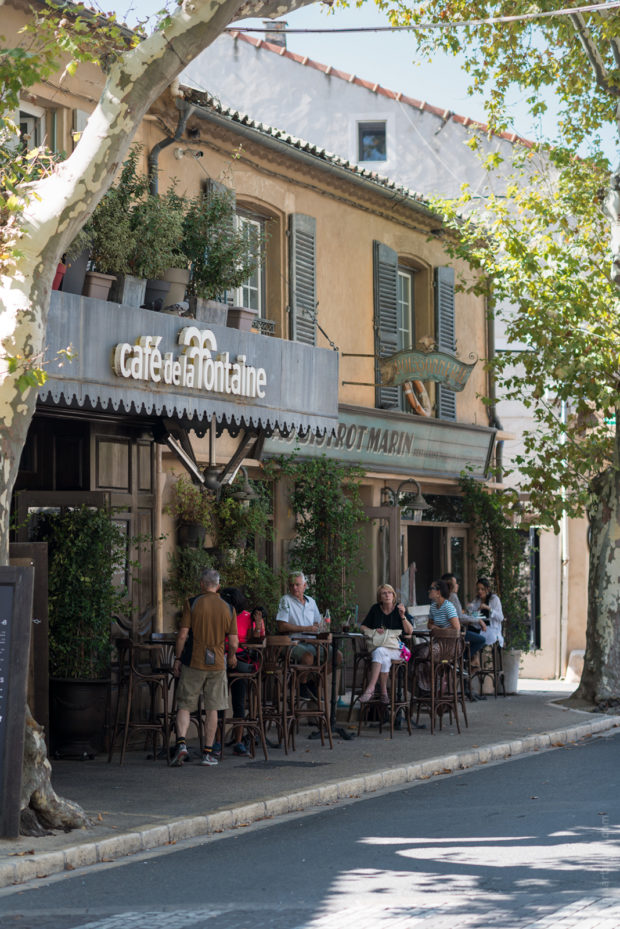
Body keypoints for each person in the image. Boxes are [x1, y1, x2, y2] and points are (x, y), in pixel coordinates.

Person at [171, 568, 238, 767]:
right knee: (212, 708)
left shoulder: (192, 603)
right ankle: (208, 753)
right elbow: (233, 642)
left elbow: (182, 635)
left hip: (194, 661)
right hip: (217, 663)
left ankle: (181, 744)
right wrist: (232, 656)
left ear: (201, 584)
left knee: (184, 704)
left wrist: (178, 658)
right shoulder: (228, 608)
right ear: (218, 586)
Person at [275, 571, 342, 697]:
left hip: (312, 641)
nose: (294, 587)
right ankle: (302, 685)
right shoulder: (285, 600)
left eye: (297, 584)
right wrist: (306, 628)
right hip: (292, 641)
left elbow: (318, 623)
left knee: (337, 656)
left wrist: (320, 630)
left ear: (304, 586)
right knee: (308, 657)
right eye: (291, 585)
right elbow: (282, 626)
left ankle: (314, 681)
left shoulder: (311, 601)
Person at [220, 588, 266, 757]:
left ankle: (238, 741)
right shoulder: (220, 615)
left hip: (241, 660)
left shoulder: (248, 616)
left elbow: (257, 640)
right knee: (218, 701)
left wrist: (258, 625)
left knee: (238, 700)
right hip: (221, 658)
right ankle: (217, 740)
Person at [359, 584, 413, 703]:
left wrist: (403, 616)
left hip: (402, 651)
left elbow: (410, 631)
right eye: (384, 593)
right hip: (382, 649)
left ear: (393, 596)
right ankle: (384, 694)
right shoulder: (375, 609)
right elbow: (362, 627)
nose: (387, 595)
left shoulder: (399, 608)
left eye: (390, 593)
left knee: (380, 652)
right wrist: (374, 631)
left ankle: (371, 688)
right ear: (380, 597)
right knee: (383, 654)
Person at [441, 572, 486, 659]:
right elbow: (460, 618)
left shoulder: (440, 596)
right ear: (449, 585)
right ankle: (462, 659)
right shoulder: (452, 596)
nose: (457, 585)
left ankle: (463, 660)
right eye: (455, 583)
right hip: (453, 635)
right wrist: (478, 620)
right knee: (481, 640)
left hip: (443, 634)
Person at [468, 576, 504, 647]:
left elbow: (501, 618)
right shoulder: (477, 600)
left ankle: (474, 655)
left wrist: (489, 608)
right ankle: (472, 655)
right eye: (478, 589)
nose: (480, 591)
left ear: (487, 589)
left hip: (491, 628)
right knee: (469, 633)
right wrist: (477, 610)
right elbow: (471, 614)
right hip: (478, 627)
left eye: (482, 589)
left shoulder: (494, 599)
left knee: (485, 637)